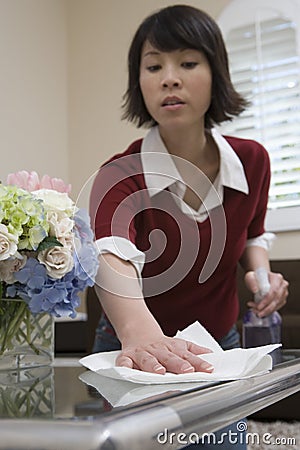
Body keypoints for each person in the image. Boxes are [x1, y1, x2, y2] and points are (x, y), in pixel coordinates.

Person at [89, 5, 289, 449]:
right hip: (134, 349)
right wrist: (138, 332)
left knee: (223, 443)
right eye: (154, 65)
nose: (169, 78)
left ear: (216, 73)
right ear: (138, 83)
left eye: (188, 62)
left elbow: (252, 234)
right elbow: (110, 252)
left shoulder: (252, 161)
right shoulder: (118, 175)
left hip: (219, 342)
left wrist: (261, 276)